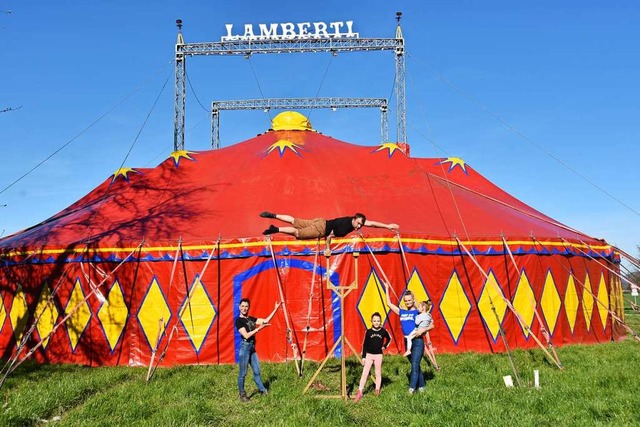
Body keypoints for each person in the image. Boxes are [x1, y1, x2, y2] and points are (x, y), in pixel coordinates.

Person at [259, 211, 399, 256]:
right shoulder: (345, 228)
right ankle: (276, 229)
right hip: (321, 229)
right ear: (355, 219)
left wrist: (387, 226)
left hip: (321, 221)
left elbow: (372, 223)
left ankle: (274, 215)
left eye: (361, 224)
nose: (360, 226)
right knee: (297, 233)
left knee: (295, 221)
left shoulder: (350, 220)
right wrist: (327, 248)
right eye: (359, 224)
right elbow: (330, 236)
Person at [384, 285, 433, 394]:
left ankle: (411, 389)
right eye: (406, 300)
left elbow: (432, 325)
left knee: (414, 365)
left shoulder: (418, 312)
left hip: (418, 341)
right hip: (407, 342)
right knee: (415, 364)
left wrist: (422, 330)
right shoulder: (402, 312)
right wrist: (387, 288)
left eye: (409, 300)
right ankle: (422, 386)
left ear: (413, 300)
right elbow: (389, 304)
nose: (407, 302)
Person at [235, 298, 280, 402]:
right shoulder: (239, 321)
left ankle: (263, 391)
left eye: (246, 306)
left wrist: (275, 309)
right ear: (239, 307)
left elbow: (266, 321)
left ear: (248, 307)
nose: (244, 308)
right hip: (244, 347)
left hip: (252, 348)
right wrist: (258, 329)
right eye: (242, 306)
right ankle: (242, 395)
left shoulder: (250, 319)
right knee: (243, 373)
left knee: (257, 371)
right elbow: (246, 335)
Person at [354, 312, 392, 403]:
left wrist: (385, 346)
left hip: (378, 355)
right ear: (371, 321)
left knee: (377, 373)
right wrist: (363, 357)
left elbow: (389, 338)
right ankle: (360, 391)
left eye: (378, 321)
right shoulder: (368, 332)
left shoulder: (383, 331)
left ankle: (377, 389)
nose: (376, 322)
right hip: (369, 355)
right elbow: (364, 345)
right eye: (374, 321)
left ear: (381, 321)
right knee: (365, 373)